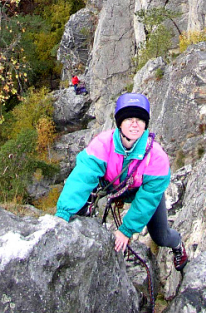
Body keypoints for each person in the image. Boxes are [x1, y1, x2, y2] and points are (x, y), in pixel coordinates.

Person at [55, 92, 188, 270]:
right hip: (109, 184)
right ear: (119, 123)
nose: (134, 123)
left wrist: (126, 230)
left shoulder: (156, 158)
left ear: (145, 124)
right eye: (128, 119)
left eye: (139, 120)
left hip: (140, 191)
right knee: (79, 202)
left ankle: (178, 245)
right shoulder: (103, 144)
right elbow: (83, 177)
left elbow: (147, 199)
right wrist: (63, 214)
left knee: (160, 236)